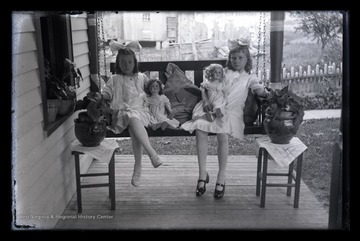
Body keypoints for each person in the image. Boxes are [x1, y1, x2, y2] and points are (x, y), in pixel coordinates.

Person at [181, 44, 269, 199]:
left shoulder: (250, 77)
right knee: (200, 129)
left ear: (247, 59)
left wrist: (266, 93)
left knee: (222, 134)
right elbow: (210, 86)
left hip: (232, 110)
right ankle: (202, 174)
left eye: (240, 58)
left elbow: (258, 89)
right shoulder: (224, 72)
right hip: (214, 106)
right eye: (233, 58)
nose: (236, 61)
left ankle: (222, 176)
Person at [101, 47, 163, 188]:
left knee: (134, 120)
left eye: (129, 62)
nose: (127, 65)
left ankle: (138, 167)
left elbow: (154, 89)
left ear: (134, 63)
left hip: (142, 112)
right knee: (131, 118)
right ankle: (151, 155)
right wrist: (103, 96)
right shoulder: (114, 79)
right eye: (123, 62)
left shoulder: (142, 78)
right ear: (118, 63)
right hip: (123, 112)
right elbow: (107, 91)